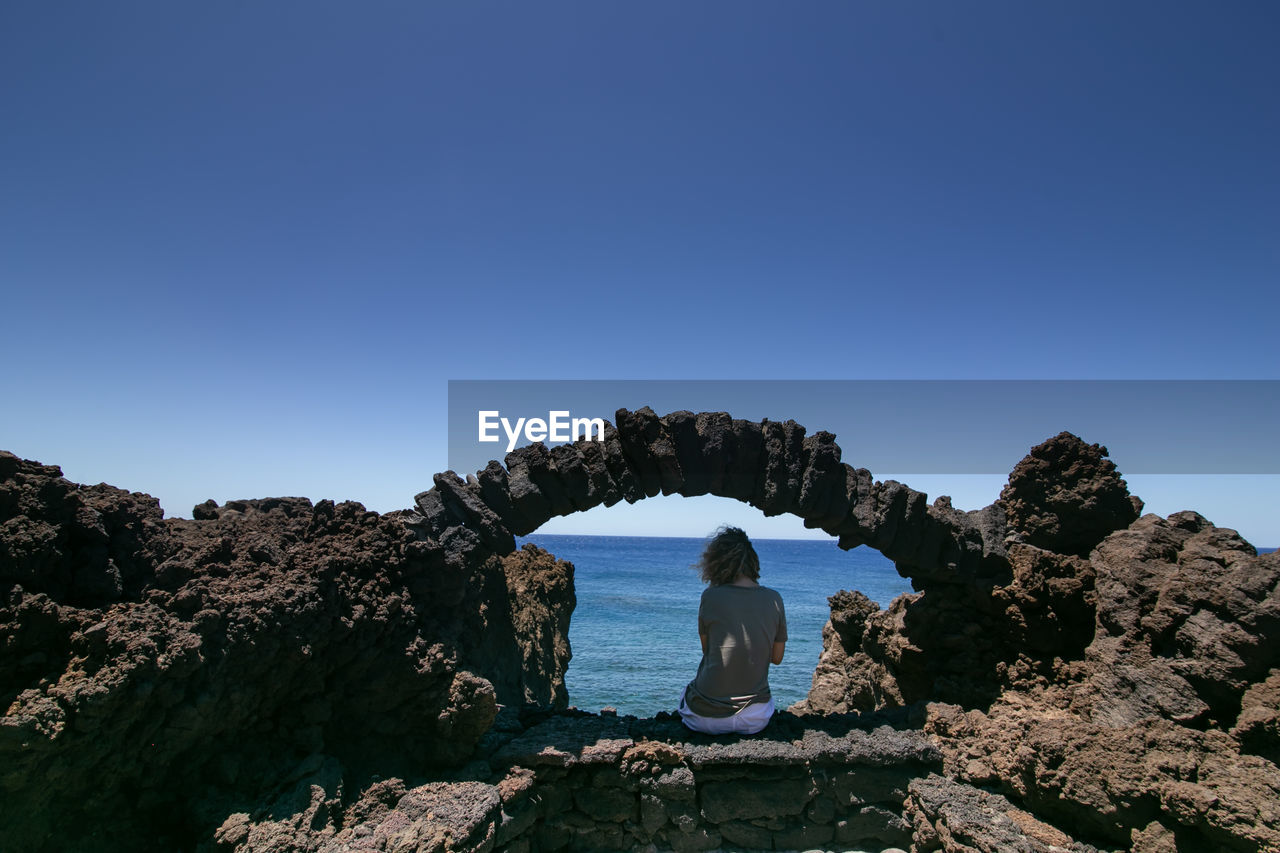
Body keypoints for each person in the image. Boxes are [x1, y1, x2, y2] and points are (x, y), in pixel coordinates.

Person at [677, 525, 787, 735]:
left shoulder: (710, 596)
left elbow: (708, 650)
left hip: (704, 720)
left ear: (715, 562)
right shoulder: (774, 599)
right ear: (753, 561)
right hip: (755, 718)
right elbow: (777, 657)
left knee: (687, 692)